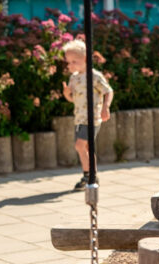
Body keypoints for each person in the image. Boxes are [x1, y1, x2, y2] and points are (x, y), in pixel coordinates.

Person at [61, 39, 114, 191]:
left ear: (85, 59)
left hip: (92, 119)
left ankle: (88, 175)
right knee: (86, 148)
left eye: (74, 62)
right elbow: (73, 100)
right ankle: (92, 175)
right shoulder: (74, 78)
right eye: (68, 62)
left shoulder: (94, 76)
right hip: (79, 118)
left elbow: (108, 91)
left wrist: (106, 107)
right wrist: (66, 94)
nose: (70, 66)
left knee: (79, 145)